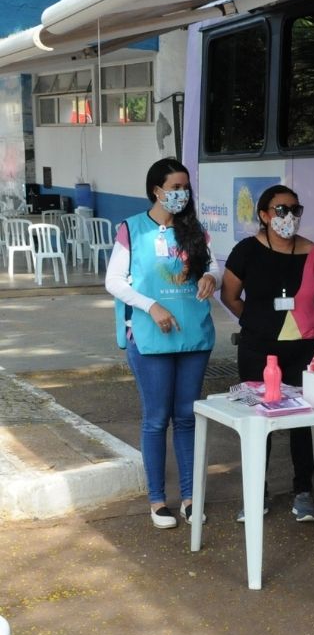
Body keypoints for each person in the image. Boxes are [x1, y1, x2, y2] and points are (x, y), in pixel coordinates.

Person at [106, 158, 221, 528]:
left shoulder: (195, 230)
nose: (181, 194)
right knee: (157, 419)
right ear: (156, 190)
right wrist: (150, 305)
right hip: (150, 337)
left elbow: (213, 265)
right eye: (174, 187)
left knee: (187, 418)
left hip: (193, 337)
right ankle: (157, 500)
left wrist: (210, 278)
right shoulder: (132, 230)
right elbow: (115, 282)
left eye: (185, 187)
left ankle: (190, 498)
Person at [220, 184, 314, 522]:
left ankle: (303, 491)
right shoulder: (247, 250)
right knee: (258, 421)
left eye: (294, 210)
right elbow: (230, 296)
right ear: (265, 215)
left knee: (303, 422)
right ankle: (257, 493)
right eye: (280, 210)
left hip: (303, 349)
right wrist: (257, 323)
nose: (288, 216)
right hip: (259, 349)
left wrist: (304, 324)